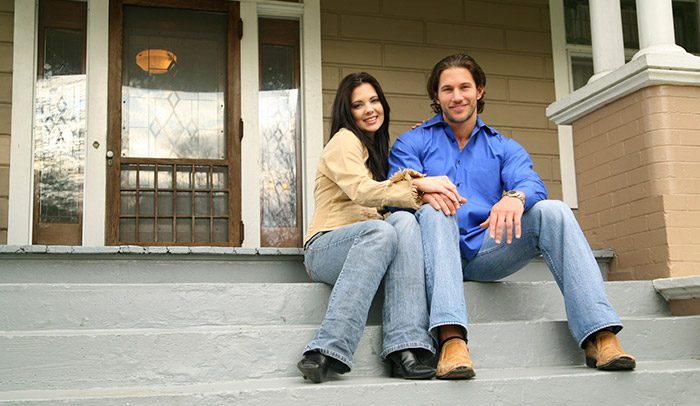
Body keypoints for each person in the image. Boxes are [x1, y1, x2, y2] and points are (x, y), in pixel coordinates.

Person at [388, 53, 636, 380]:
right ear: (437, 96)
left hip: (486, 251)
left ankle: (599, 336)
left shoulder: (503, 147)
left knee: (555, 211)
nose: (457, 96)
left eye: (465, 87)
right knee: (437, 209)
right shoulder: (413, 141)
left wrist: (514, 198)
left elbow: (531, 183)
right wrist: (422, 188)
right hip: (431, 252)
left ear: (480, 90)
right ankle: (451, 340)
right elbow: (395, 189)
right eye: (447, 89)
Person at [297, 72, 466, 383]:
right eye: (358, 104)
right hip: (325, 248)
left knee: (401, 221)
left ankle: (405, 347)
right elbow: (363, 190)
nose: (370, 109)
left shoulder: (375, 152)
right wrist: (419, 184)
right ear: (347, 112)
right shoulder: (344, 140)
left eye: (374, 100)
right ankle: (327, 346)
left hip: (368, 245)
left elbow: (387, 200)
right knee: (384, 230)